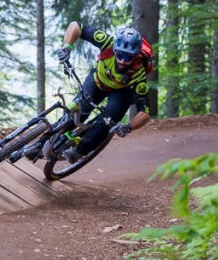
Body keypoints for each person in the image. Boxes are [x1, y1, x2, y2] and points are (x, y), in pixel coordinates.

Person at [55, 21, 153, 163]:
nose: (122, 61)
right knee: (78, 110)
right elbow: (76, 26)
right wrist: (67, 47)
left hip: (121, 92)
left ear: (136, 56)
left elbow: (145, 112)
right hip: (98, 81)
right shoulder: (107, 42)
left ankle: (79, 151)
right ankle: (52, 137)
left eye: (128, 57)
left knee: (108, 120)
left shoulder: (139, 75)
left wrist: (128, 127)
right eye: (120, 55)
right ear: (115, 49)